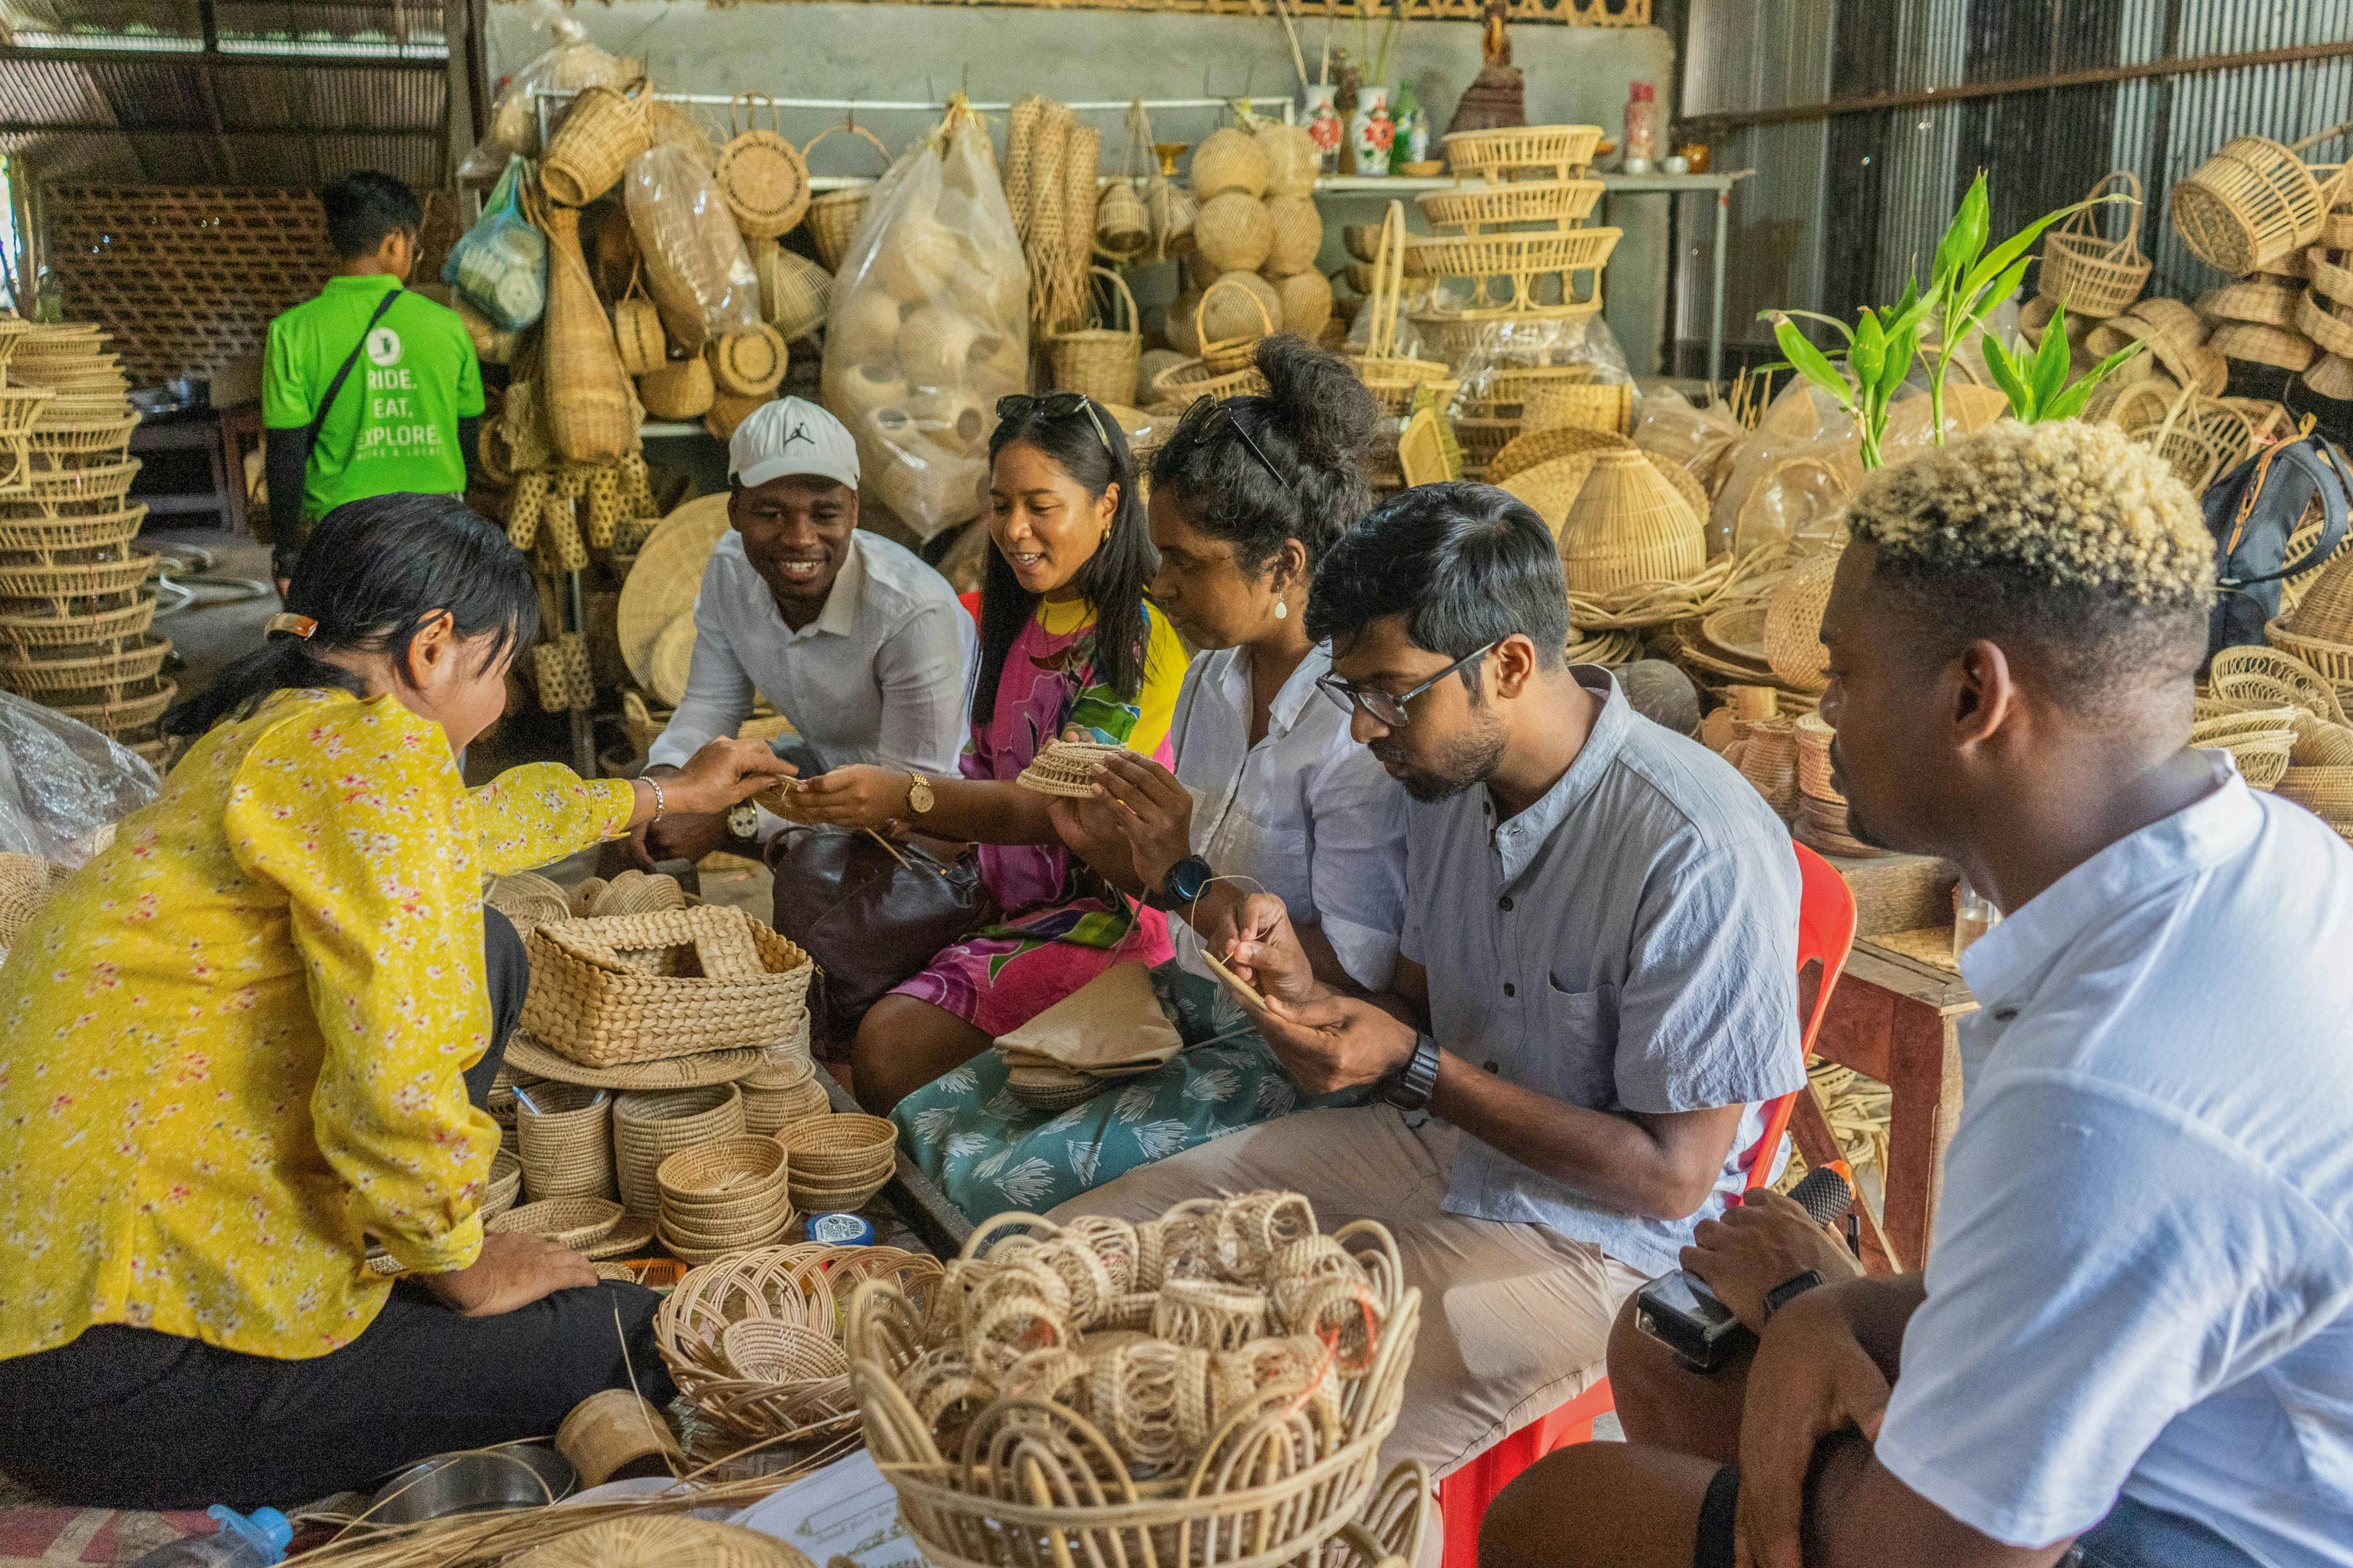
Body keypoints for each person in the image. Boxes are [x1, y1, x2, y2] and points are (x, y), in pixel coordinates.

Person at [1481, 421, 2353, 1568]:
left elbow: (1947, 1560)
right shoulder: (2265, 854)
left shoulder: (2108, 1088)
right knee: (1670, 1339)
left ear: (1969, 695)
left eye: (1841, 677)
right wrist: (1820, 1308)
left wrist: (1813, 1314)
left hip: (2188, 1537)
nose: (1819, 716)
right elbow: (2095, 1272)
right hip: (2190, 1423)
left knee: (1558, 1515)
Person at [0, 496, 793, 1509]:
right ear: (432, 650)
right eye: (499, 667)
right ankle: (407, 1262)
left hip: (43, 1328)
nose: (502, 701)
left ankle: (389, 1258)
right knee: (629, 1335)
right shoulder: (378, 762)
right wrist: (462, 1263)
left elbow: (462, 836)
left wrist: (665, 794)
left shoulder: (270, 739)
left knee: (490, 945)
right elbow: (394, 1062)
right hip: (122, 1387)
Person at [1053, 482, 1804, 1478]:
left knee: (1281, 1433)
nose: (1366, 729)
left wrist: (1412, 1066)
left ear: (1508, 664)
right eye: (1351, 692)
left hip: (1602, 1244)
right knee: (1083, 1254)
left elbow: (1672, 1179)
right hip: (1437, 1144)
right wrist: (1299, 982)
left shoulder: (1697, 845)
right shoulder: (1444, 783)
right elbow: (1406, 1013)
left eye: (1388, 692)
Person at [889, 336, 1408, 1216]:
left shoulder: (1353, 729)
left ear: (1283, 565)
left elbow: (1357, 981)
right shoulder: (1217, 677)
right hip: (1198, 999)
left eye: (1185, 561)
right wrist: (1125, 859)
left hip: (1294, 1045)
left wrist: (1176, 875)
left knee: (987, 1180)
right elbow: (1179, 890)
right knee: (920, 1121)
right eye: (1158, 555)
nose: (1157, 585)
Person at [790, 392, 1188, 1114]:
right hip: (1004, 901)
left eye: (1041, 505)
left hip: (1104, 921)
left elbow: (1052, 812)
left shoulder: (1140, 637)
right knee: (814, 928)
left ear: (1108, 505)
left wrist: (904, 794)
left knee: (887, 1044)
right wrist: (855, 811)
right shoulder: (1017, 622)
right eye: (1000, 504)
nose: (1013, 529)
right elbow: (981, 785)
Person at [634, 397, 976, 866]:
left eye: (825, 514)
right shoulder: (730, 569)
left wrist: (735, 818)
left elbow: (910, 799)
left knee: (815, 882)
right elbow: (712, 706)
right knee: (638, 819)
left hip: (939, 808)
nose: (800, 537)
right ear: (735, 510)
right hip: (826, 769)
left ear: (854, 510)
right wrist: (663, 793)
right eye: (771, 514)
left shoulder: (911, 610)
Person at [264, 171, 484, 589]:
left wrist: (288, 555)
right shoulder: (449, 327)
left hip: (340, 534)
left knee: (349, 647)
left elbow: (285, 456)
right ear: (396, 242)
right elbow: (468, 437)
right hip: (437, 529)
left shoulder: (291, 332)